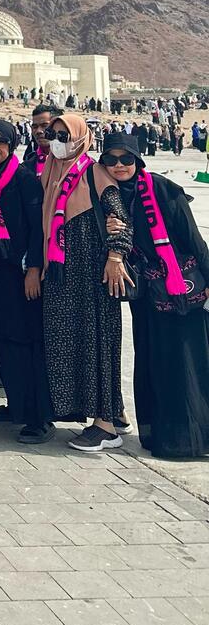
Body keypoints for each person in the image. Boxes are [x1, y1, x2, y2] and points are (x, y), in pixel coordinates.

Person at [96, 131, 209, 459]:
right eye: (111, 160)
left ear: (137, 159)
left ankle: (192, 438)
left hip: (182, 293)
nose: (119, 166)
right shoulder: (108, 196)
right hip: (147, 296)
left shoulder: (162, 190)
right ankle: (161, 435)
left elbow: (193, 239)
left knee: (187, 364)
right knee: (155, 363)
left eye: (126, 159)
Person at [41, 113, 132, 453]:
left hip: (94, 277)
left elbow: (120, 219)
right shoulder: (51, 173)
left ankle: (106, 426)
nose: (59, 139)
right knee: (74, 346)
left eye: (65, 134)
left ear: (81, 136)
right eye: (54, 133)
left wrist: (115, 257)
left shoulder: (94, 173)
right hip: (64, 278)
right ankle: (109, 414)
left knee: (99, 345)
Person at [0, 119, 52, 444]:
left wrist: (34, 269)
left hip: (19, 275)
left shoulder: (23, 180)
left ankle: (39, 418)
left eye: (0, 141)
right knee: (2, 341)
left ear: (11, 144)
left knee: (26, 342)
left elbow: (38, 230)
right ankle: (16, 405)